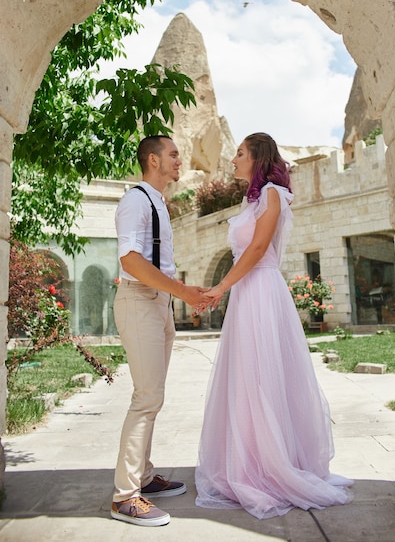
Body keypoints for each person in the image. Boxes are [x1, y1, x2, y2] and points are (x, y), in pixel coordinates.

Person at [195, 132, 353, 519]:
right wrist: (229, 290)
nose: (233, 158)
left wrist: (220, 287)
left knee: (263, 376)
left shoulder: (271, 194)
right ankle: (250, 459)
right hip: (246, 295)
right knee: (246, 377)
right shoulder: (251, 200)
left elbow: (258, 249)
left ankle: (273, 464)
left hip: (261, 291)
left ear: (258, 157)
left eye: (239, 152)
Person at [111, 135, 209, 527]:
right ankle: (125, 496)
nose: (179, 160)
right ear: (153, 160)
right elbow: (131, 261)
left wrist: (182, 295)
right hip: (138, 301)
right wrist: (183, 291)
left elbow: (157, 263)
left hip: (158, 304)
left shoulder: (158, 202)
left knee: (154, 396)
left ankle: (145, 478)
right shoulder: (135, 199)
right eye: (172, 154)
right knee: (146, 398)